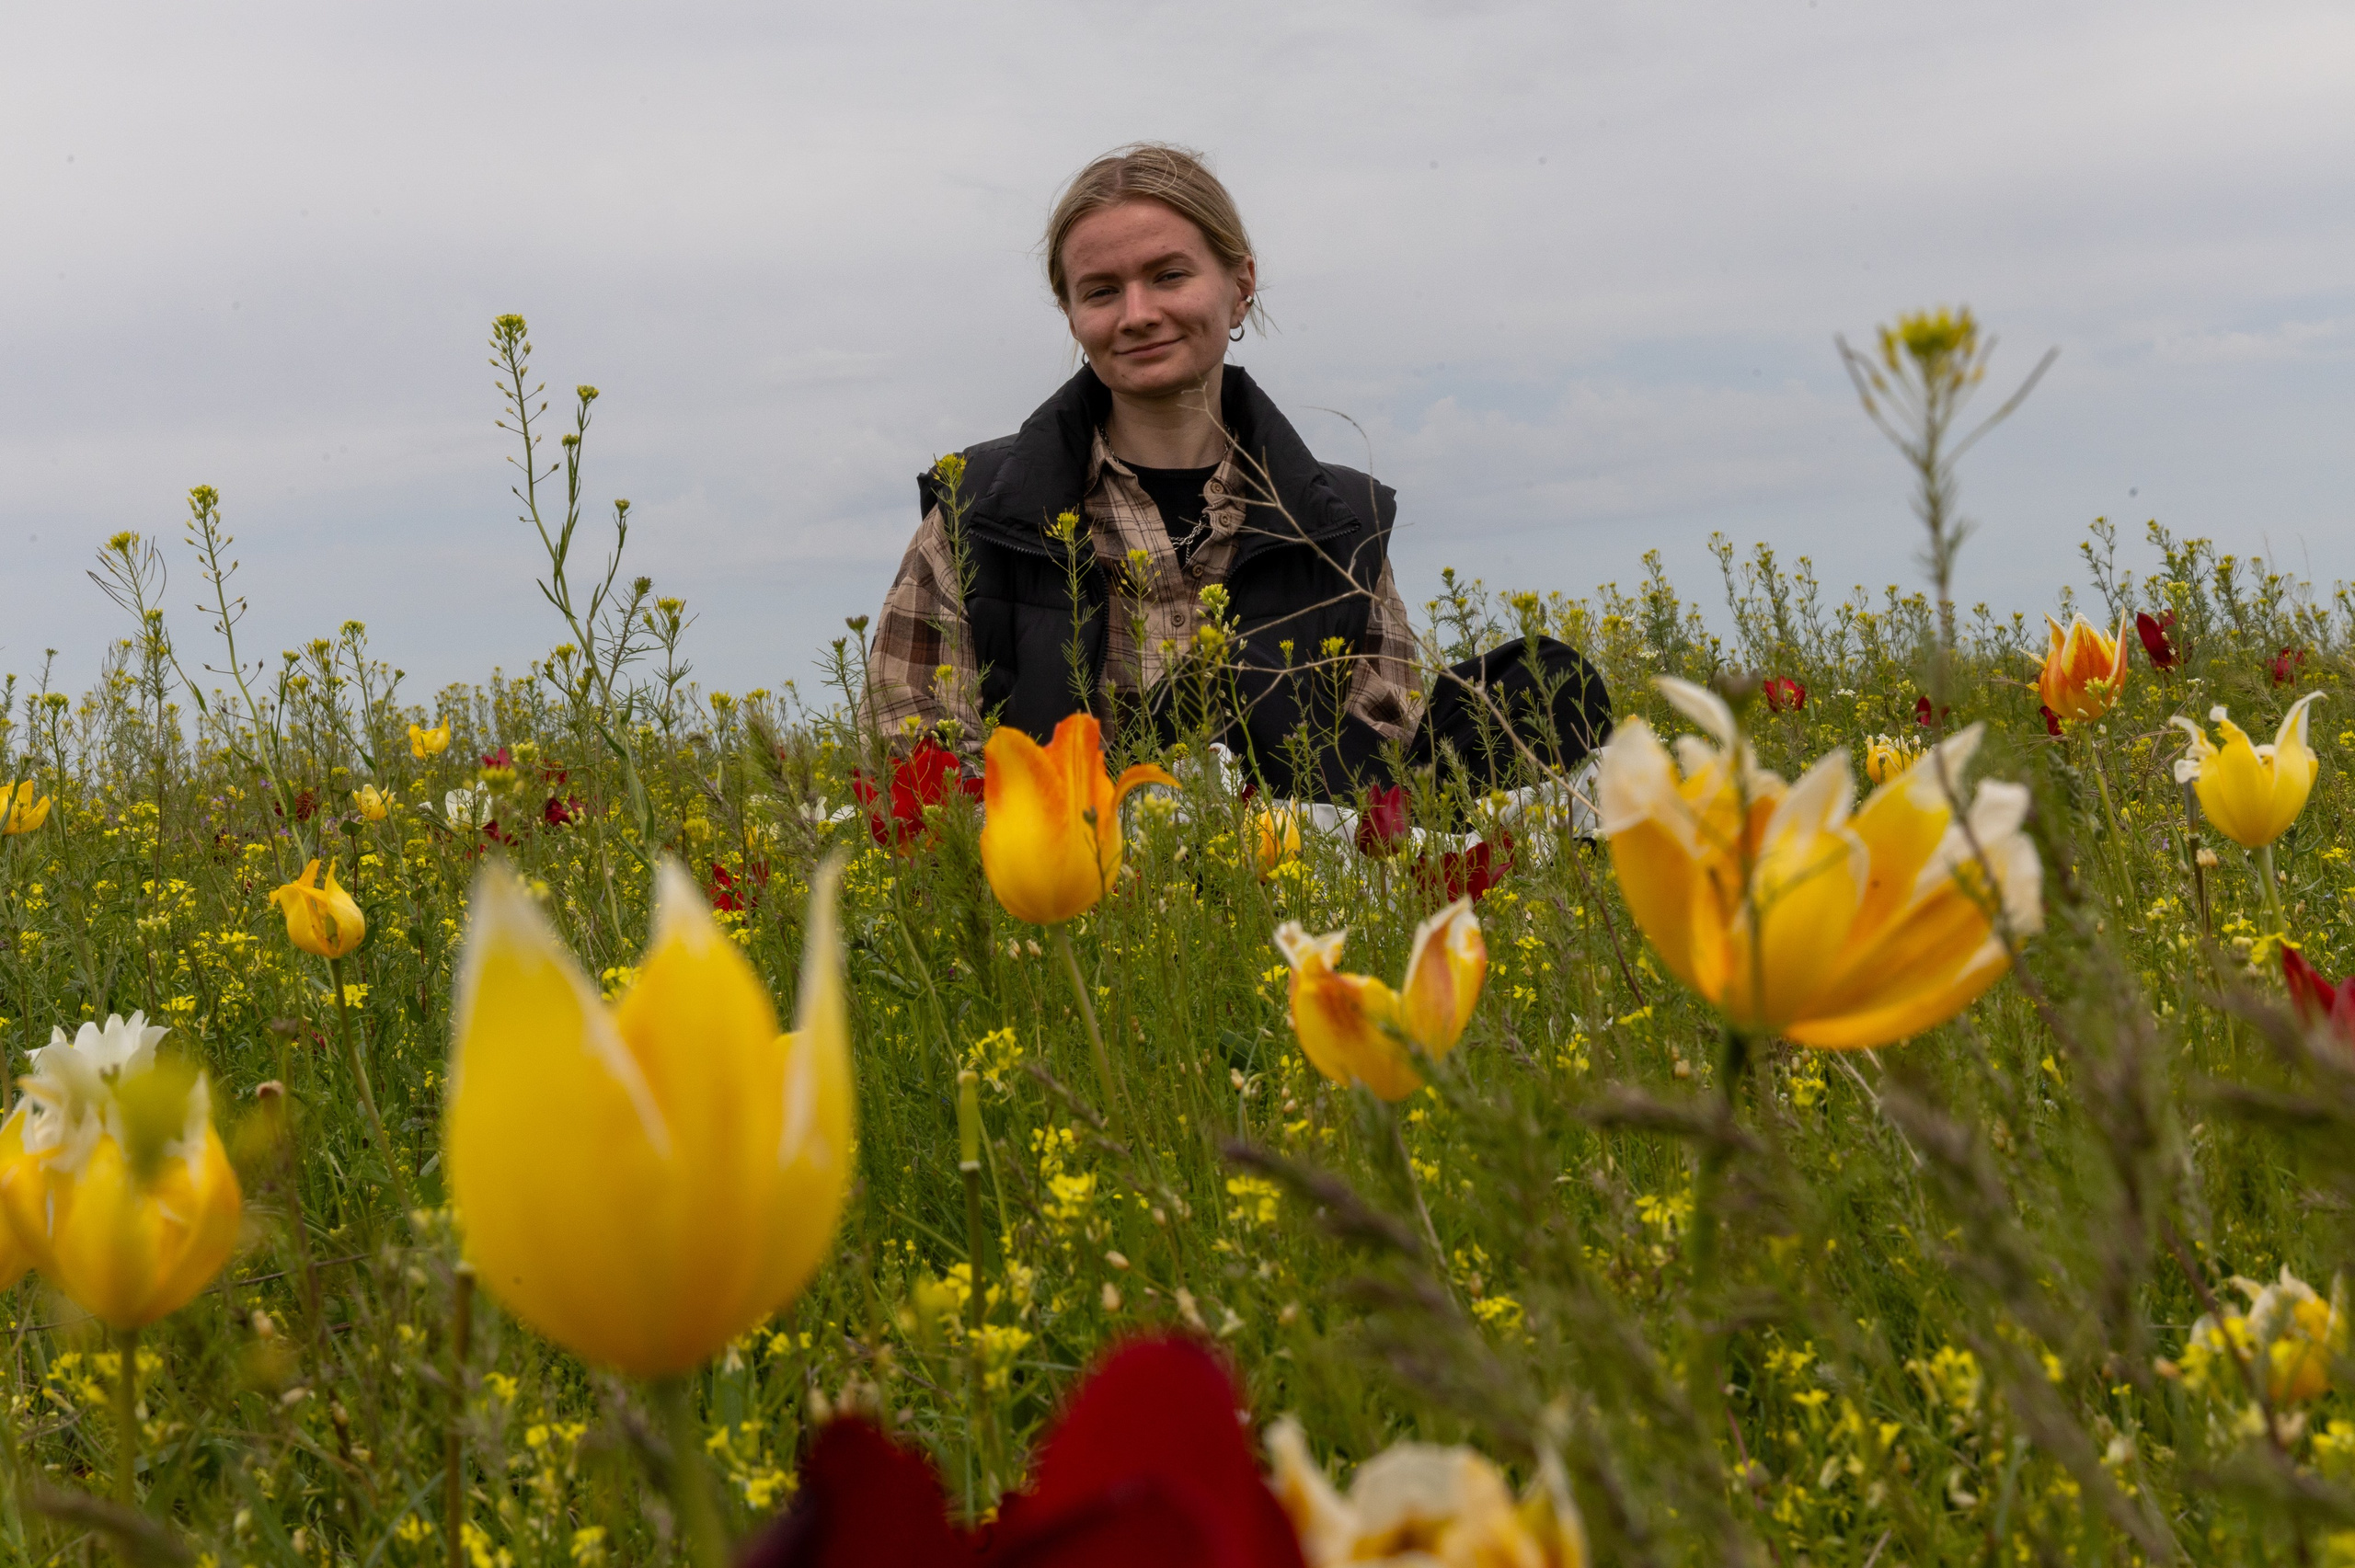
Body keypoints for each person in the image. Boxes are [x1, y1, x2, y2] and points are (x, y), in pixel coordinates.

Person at [863, 143, 1608, 803]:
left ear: (1241, 283)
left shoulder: (1335, 523)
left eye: (1168, 275)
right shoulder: (980, 514)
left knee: (1556, 683)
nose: (1138, 312)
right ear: (1070, 312)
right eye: (1101, 291)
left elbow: (1386, 773)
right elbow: (915, 775)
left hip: (1287, 924)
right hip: (1062, 937)